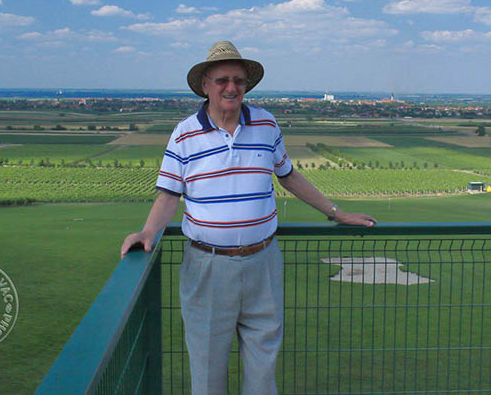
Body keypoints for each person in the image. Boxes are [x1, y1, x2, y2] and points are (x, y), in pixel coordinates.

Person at [121, 41, 376, 394]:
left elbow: (288, 174)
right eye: (223, 79)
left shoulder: (266, 123)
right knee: (208, 374)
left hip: (264, 263)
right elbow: (169, 194)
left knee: (262, 372)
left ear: (247, 85)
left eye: (239, 80)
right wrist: (148, 232)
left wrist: (336, 212)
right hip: (207, 267)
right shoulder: (184, 134)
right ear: (206, 85)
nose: (231, 87)